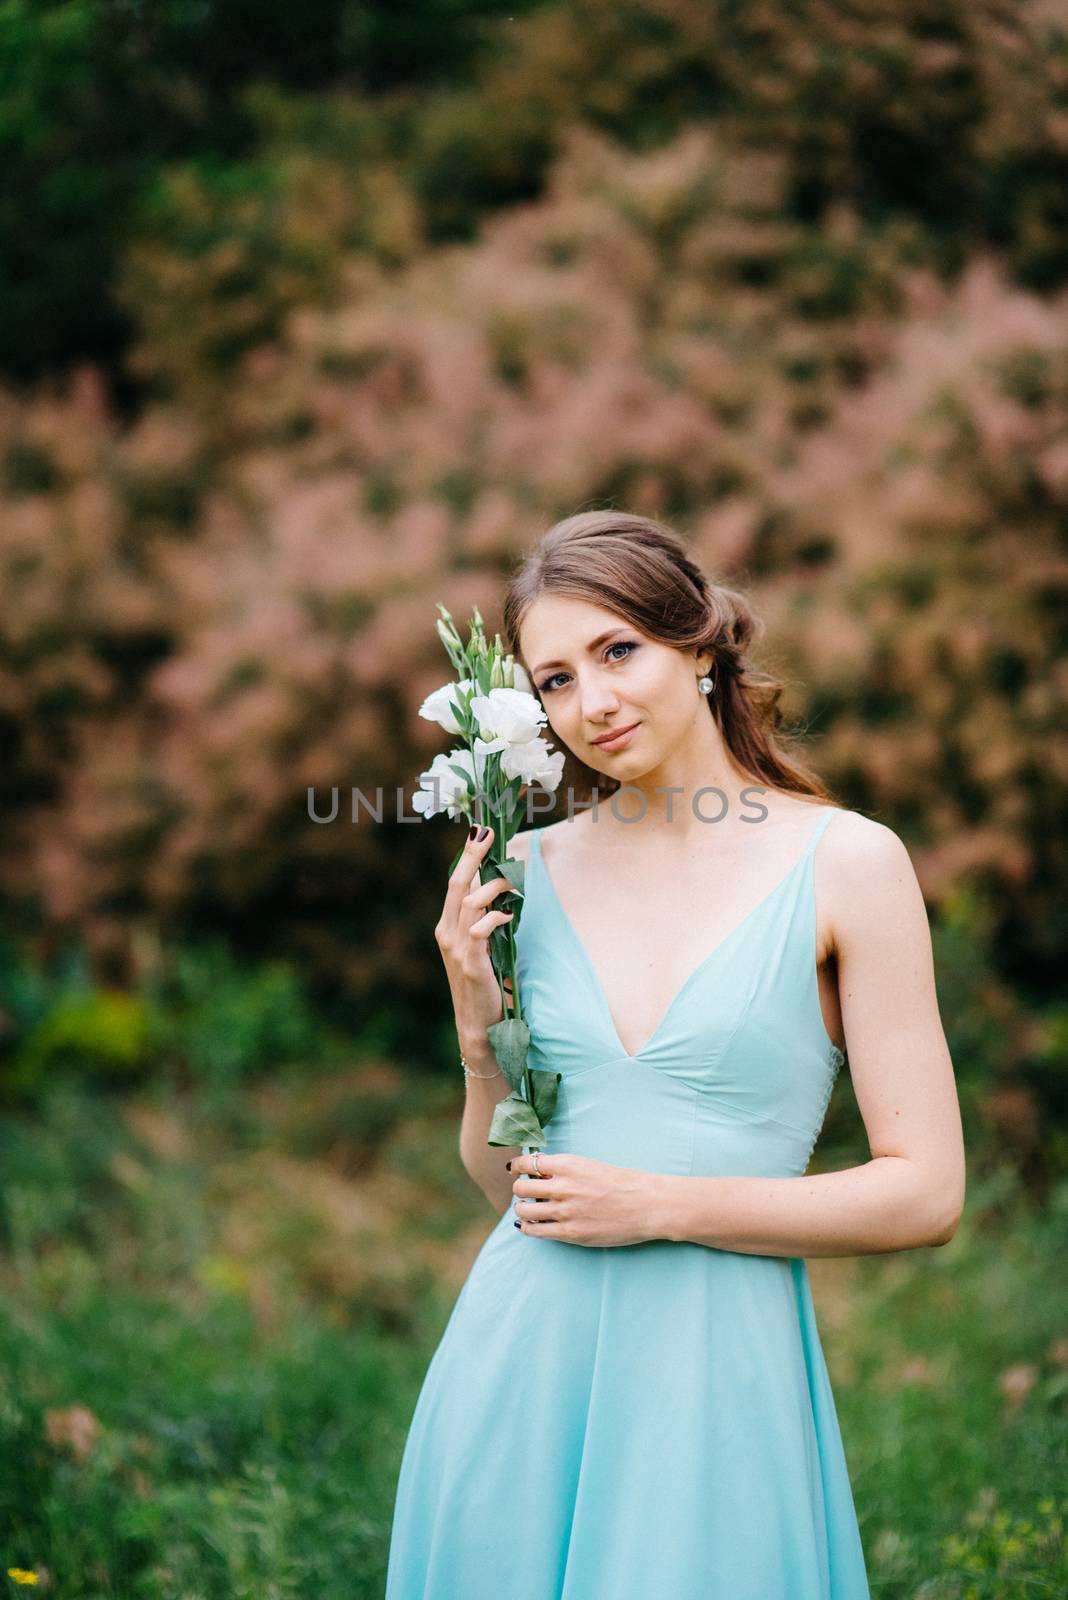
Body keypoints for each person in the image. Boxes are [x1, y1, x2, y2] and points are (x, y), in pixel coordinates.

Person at [384, 510, 966, 1599]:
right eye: (553, 680)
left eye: (618, 651)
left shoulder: (848, 863)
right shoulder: (523, 867)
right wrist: (476, 1040)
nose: (592, 703)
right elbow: (515, 1191)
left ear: (699, 644)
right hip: (517, 1369)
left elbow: (926, 1193)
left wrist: (660, 1204)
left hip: (716, 1380)